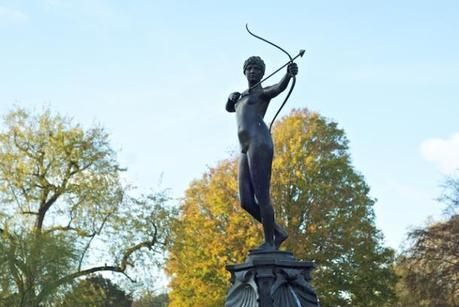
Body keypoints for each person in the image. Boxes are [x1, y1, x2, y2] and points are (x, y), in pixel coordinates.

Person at [226, 56, 298, 251]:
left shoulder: (262, 93)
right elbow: (229, 108)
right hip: (245, 147)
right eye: (249, 69)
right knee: (246, 201)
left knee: (262, 196)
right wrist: (230, 98)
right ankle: (278, 232)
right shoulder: (241, 96)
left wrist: (288, 75)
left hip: (259, 142)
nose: (253, 72)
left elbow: (278, 88)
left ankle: (269, 242)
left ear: (262, 73)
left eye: (257, 70)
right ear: (244, 72)